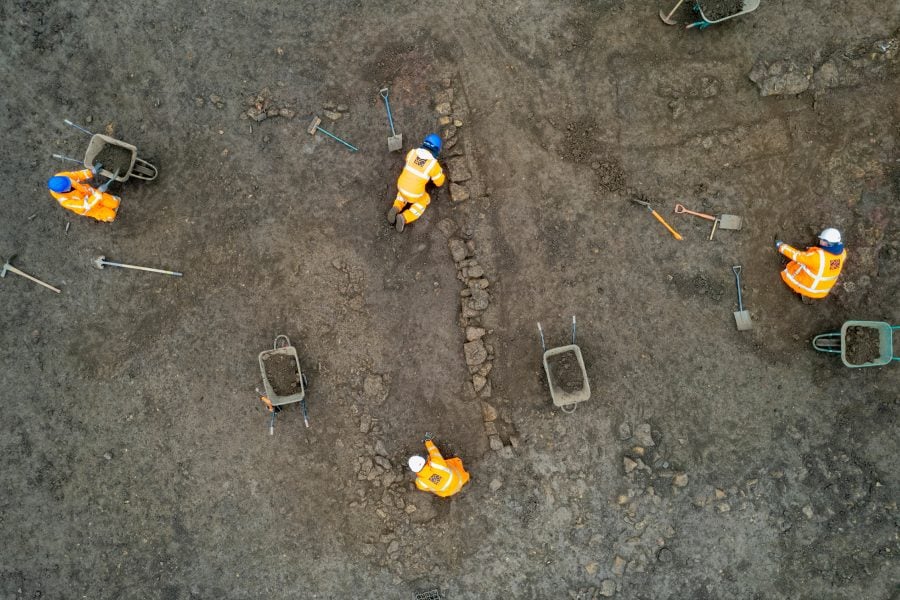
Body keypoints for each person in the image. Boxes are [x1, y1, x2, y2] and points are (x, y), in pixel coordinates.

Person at [386, 134, 446, 232]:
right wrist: (439, 173)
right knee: (424, 200)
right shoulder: (433, 165)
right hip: (414, 193)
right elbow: (439, 182)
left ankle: (396, 206)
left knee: (402, 194)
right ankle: (405, 217)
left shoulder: (412, 152)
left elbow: (409, 161)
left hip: (401, 186)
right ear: (436, 150)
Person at [775, 228, 847, 300]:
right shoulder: (842, 253)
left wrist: (781, 246)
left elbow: (797, 255)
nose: (820, 240)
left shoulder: (817, 258)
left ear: (826, 243)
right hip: (822, 291)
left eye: (822, 240)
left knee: (800, 264)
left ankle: (804, 294)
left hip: (808, 289)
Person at [48, 164, 120, 222]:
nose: (71, 184)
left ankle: (109, 202)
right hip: (89, 208)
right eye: (69, 186)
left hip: (89, 193)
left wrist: (91, 172)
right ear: (62, 191)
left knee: (115, 203)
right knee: (111, 215)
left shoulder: (61, 176)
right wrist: (99, 193)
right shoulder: (65, 201)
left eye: (69, 182)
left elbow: (77, 175)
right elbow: (86, 205)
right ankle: (104, 214)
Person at [408, 434, 469, 498]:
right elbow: (434, 451)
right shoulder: (436, 463)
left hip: (448, 492)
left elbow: (424, 488)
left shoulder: (420, 482)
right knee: (448, 464)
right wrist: (428, 441)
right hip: (460, 479)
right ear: (423, 461)